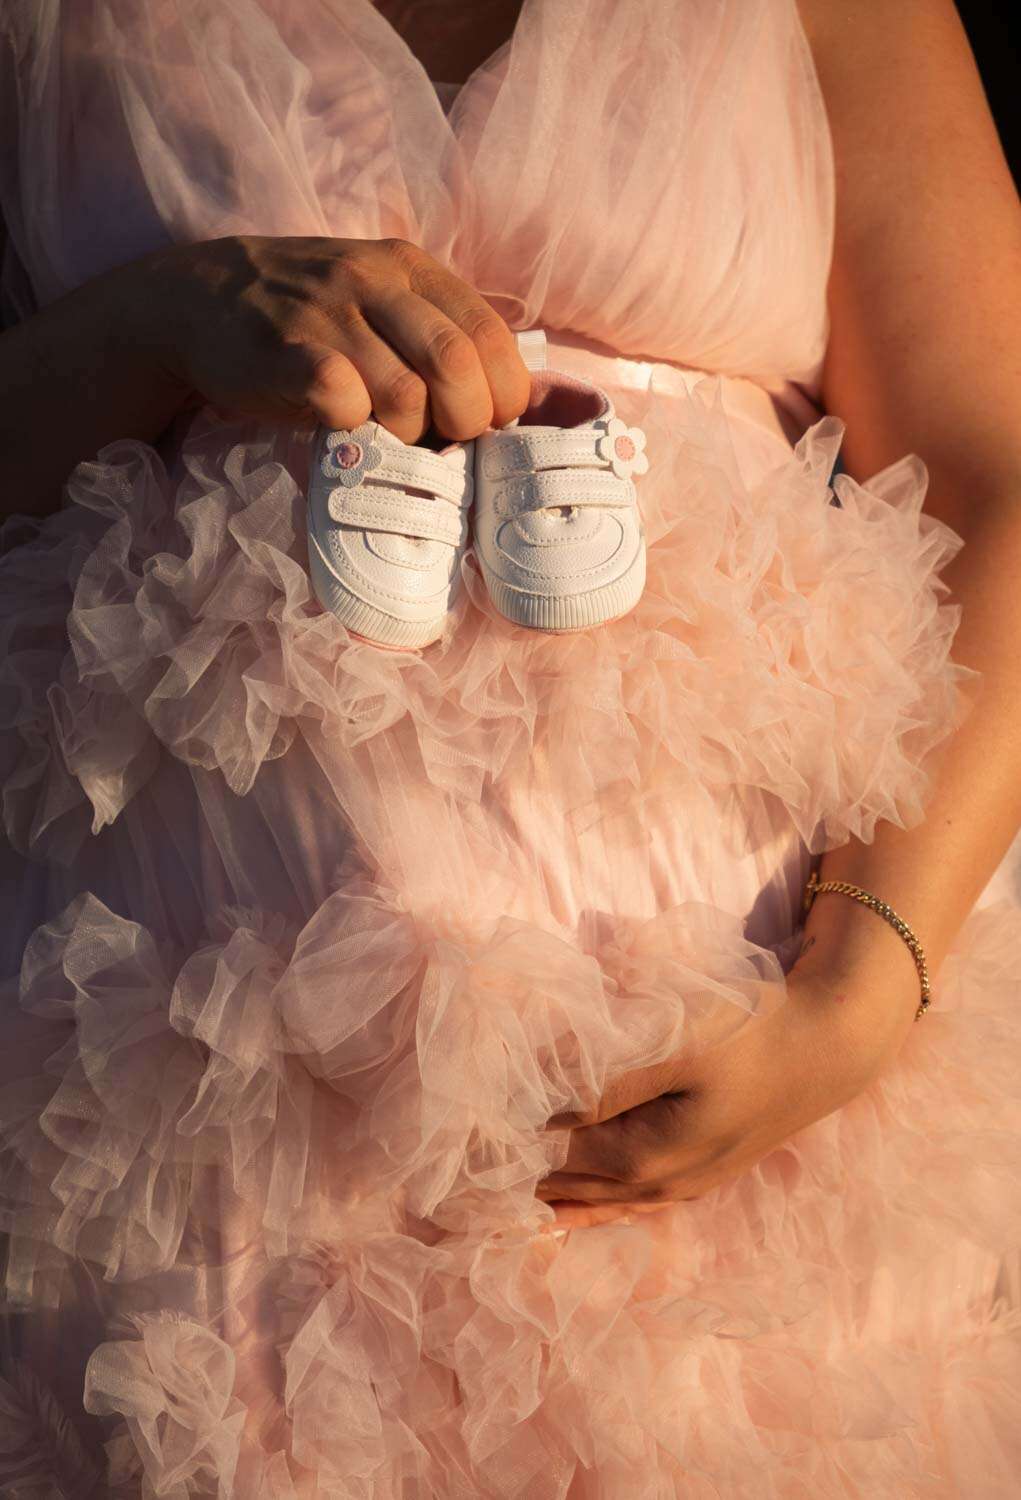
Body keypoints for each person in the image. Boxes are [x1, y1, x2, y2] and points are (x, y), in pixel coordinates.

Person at [0, 0, 1019, 1493]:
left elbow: (993, 473)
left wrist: (859, 991)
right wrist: (150, 329)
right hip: (204, 1175)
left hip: (751, 1137)